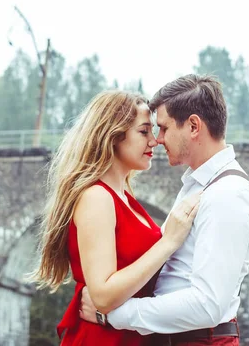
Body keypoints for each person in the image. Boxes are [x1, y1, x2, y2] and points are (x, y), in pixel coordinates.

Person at [79, 74, 249, 345]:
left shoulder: (228, 195)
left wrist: (116, 315)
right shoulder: (200, 185)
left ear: (193, 126)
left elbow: (207, 305)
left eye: (164, 128)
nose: (158, 139)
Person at [29, 90, 200, 346]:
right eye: (144, 132)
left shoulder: (125, 198)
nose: (154, 141)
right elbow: (104, 296)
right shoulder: (97, 197)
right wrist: (168, 243)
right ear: (113, 136)